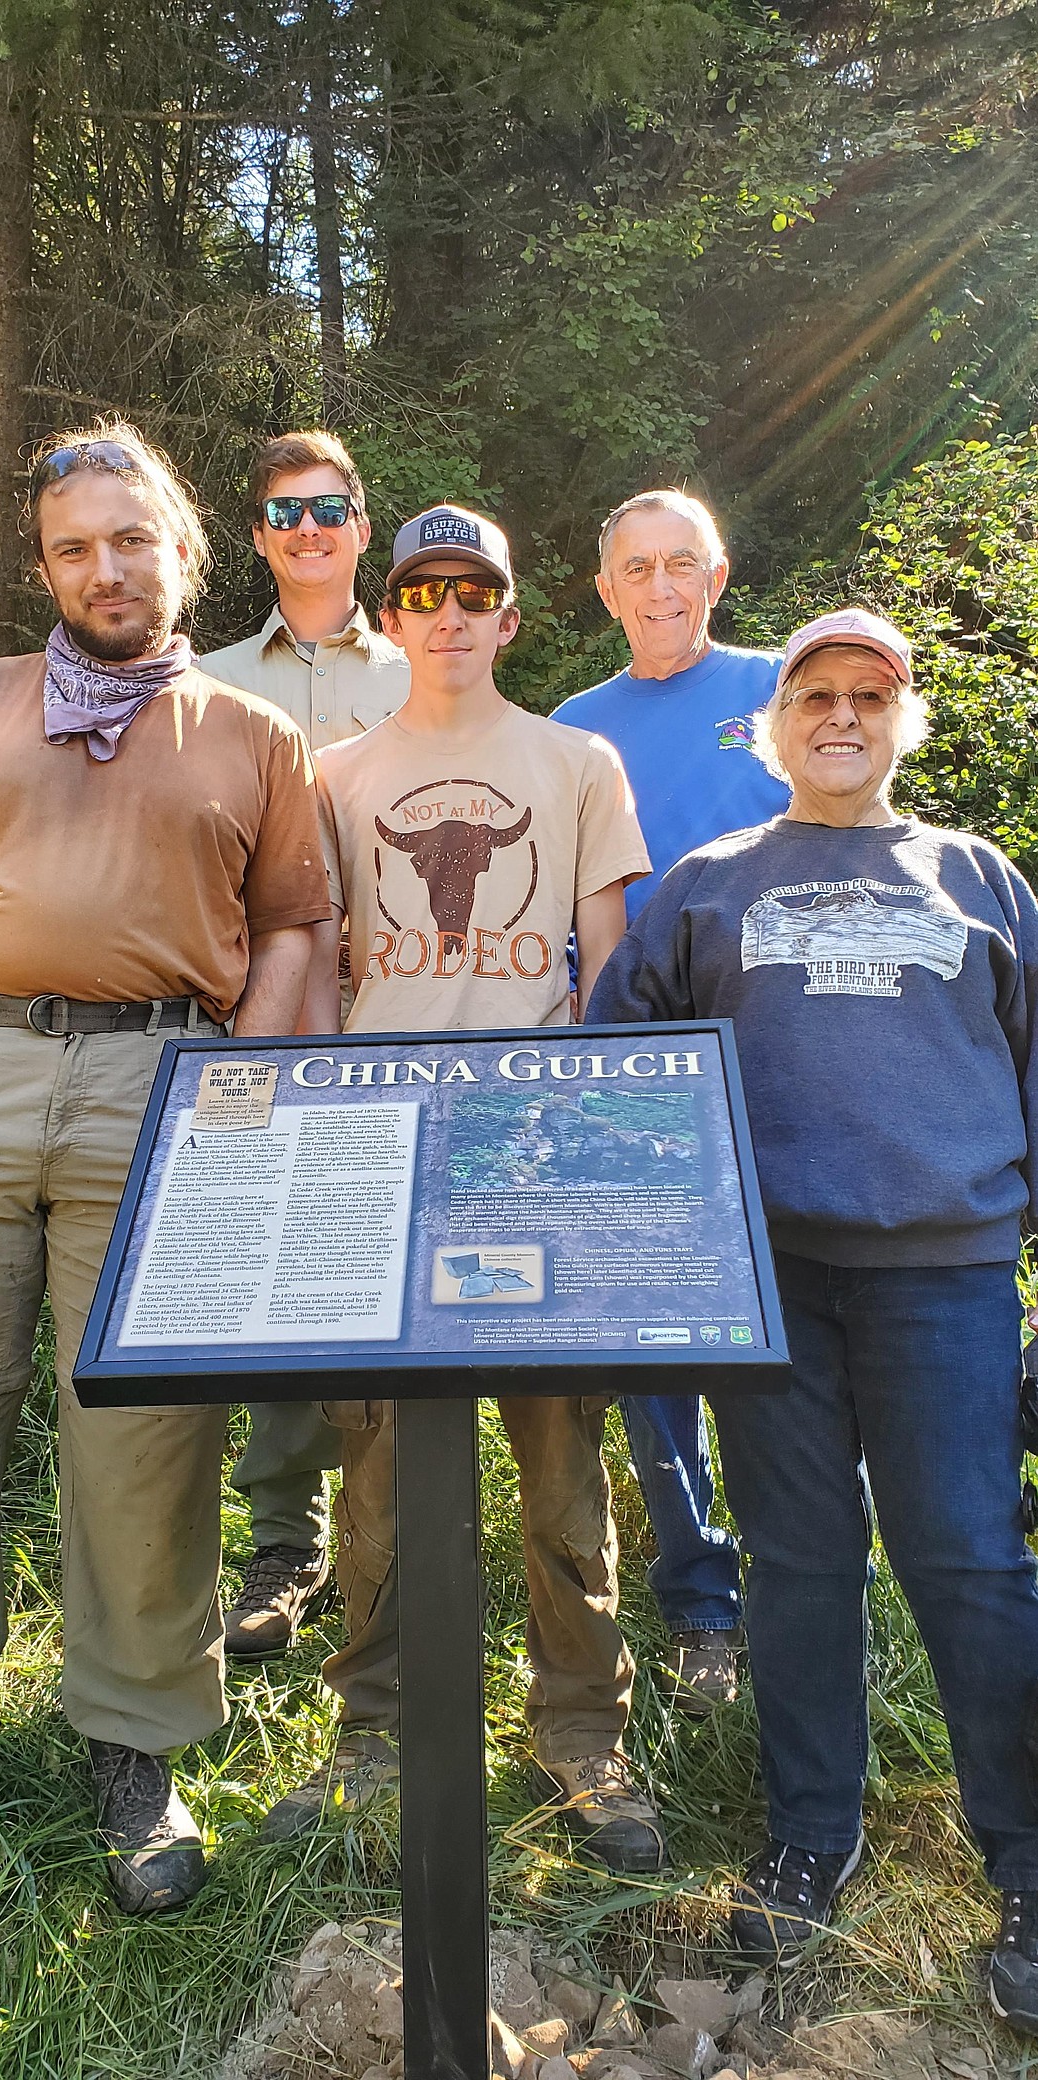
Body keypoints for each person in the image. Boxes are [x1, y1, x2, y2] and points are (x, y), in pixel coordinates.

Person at [0, 424, 330, 1925]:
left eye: (130, 539)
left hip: (157, 1086)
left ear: (180, 549)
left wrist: (243, 1105)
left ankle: (136, 1744)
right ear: (45, 566)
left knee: (142, 1432)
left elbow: (290, 937)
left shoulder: (254, 736)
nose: (105, 568)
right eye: (75, 546)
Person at [589, 605, 1038, 2031]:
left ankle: (1024, 1858)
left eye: (869, 694)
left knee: (969, 1563)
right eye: (812, 695)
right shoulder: (706, 884)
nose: (839, 716)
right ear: (770, 725)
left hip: (947, 1276)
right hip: (763, 1282)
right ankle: (809, 1838)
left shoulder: (981, 879)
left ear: (904, 720)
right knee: (795, 1564)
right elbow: (617, 1063)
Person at [262, 503, 665, 1873]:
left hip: (532, 1143)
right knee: (373, 1459)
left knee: (558, 1461)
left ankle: (583, 1739)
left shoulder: (575, 761)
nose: (445, 614)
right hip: (382, 1146)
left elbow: (605, 961)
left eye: (470, 592)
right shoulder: (333, 774)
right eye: (421, 592)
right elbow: (312, 964)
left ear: (506, 617)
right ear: (394, 616)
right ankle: (374, 1729)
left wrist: (591, 1135)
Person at [554, 489, 789, 1713]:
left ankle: (806, 1580)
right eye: (636, 567)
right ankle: (702, 1605)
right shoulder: (573, 726)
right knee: (659, 1344)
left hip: (787, 1055)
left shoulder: (785, 691)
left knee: (786, 1329)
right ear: (605, 589)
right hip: (634, 1067)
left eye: (681, 563)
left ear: (718, 570)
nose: (660, 586)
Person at [203, 431, 409, 1665]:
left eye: (329, 507)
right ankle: (283, 1544)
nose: (309, 527)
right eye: (286, 512)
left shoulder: (432, 662)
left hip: (396, 1015)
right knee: (268, 1273)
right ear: (262, 535)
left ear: (361, 523)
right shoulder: (210, 681)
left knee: (379, 1271)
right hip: (253, 1012)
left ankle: (399, 1532)